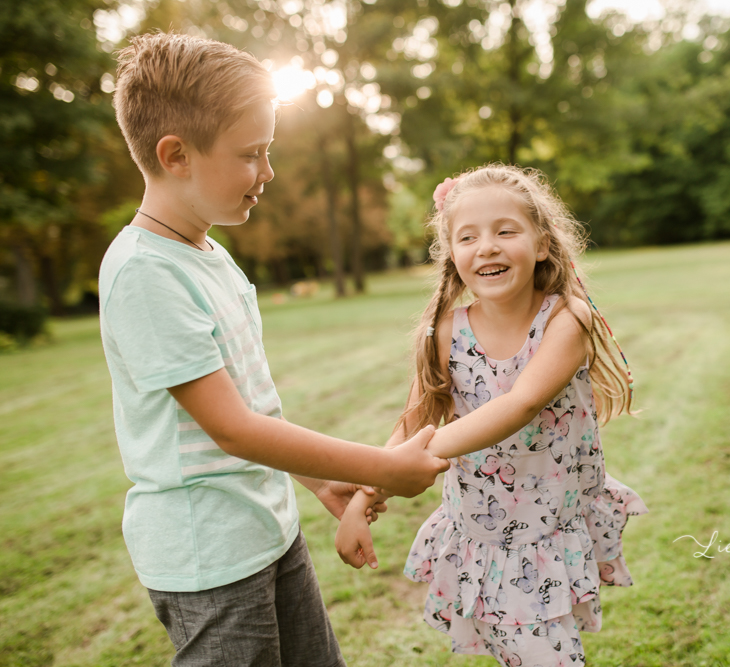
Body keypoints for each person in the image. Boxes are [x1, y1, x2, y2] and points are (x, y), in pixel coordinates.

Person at [98, 33, 449, 666]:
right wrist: (380, 466)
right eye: (251, 154)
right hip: (210, 560)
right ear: (175, 155)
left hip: (265, 531)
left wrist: (318, 480)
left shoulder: (206, 254)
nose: (268, 172)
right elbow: (232, 429)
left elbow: (253, 407)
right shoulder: (146, 273)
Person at [335, 164, 648, 666]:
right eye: (468, 237)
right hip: (480, 532)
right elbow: (415, 420)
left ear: (542, 243)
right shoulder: (445, 334)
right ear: (452, 255)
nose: (487, 247)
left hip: (544, 527)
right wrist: (364, 496)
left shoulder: (566, 320)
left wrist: (418, 458)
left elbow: (519, 404)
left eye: (506, 231)